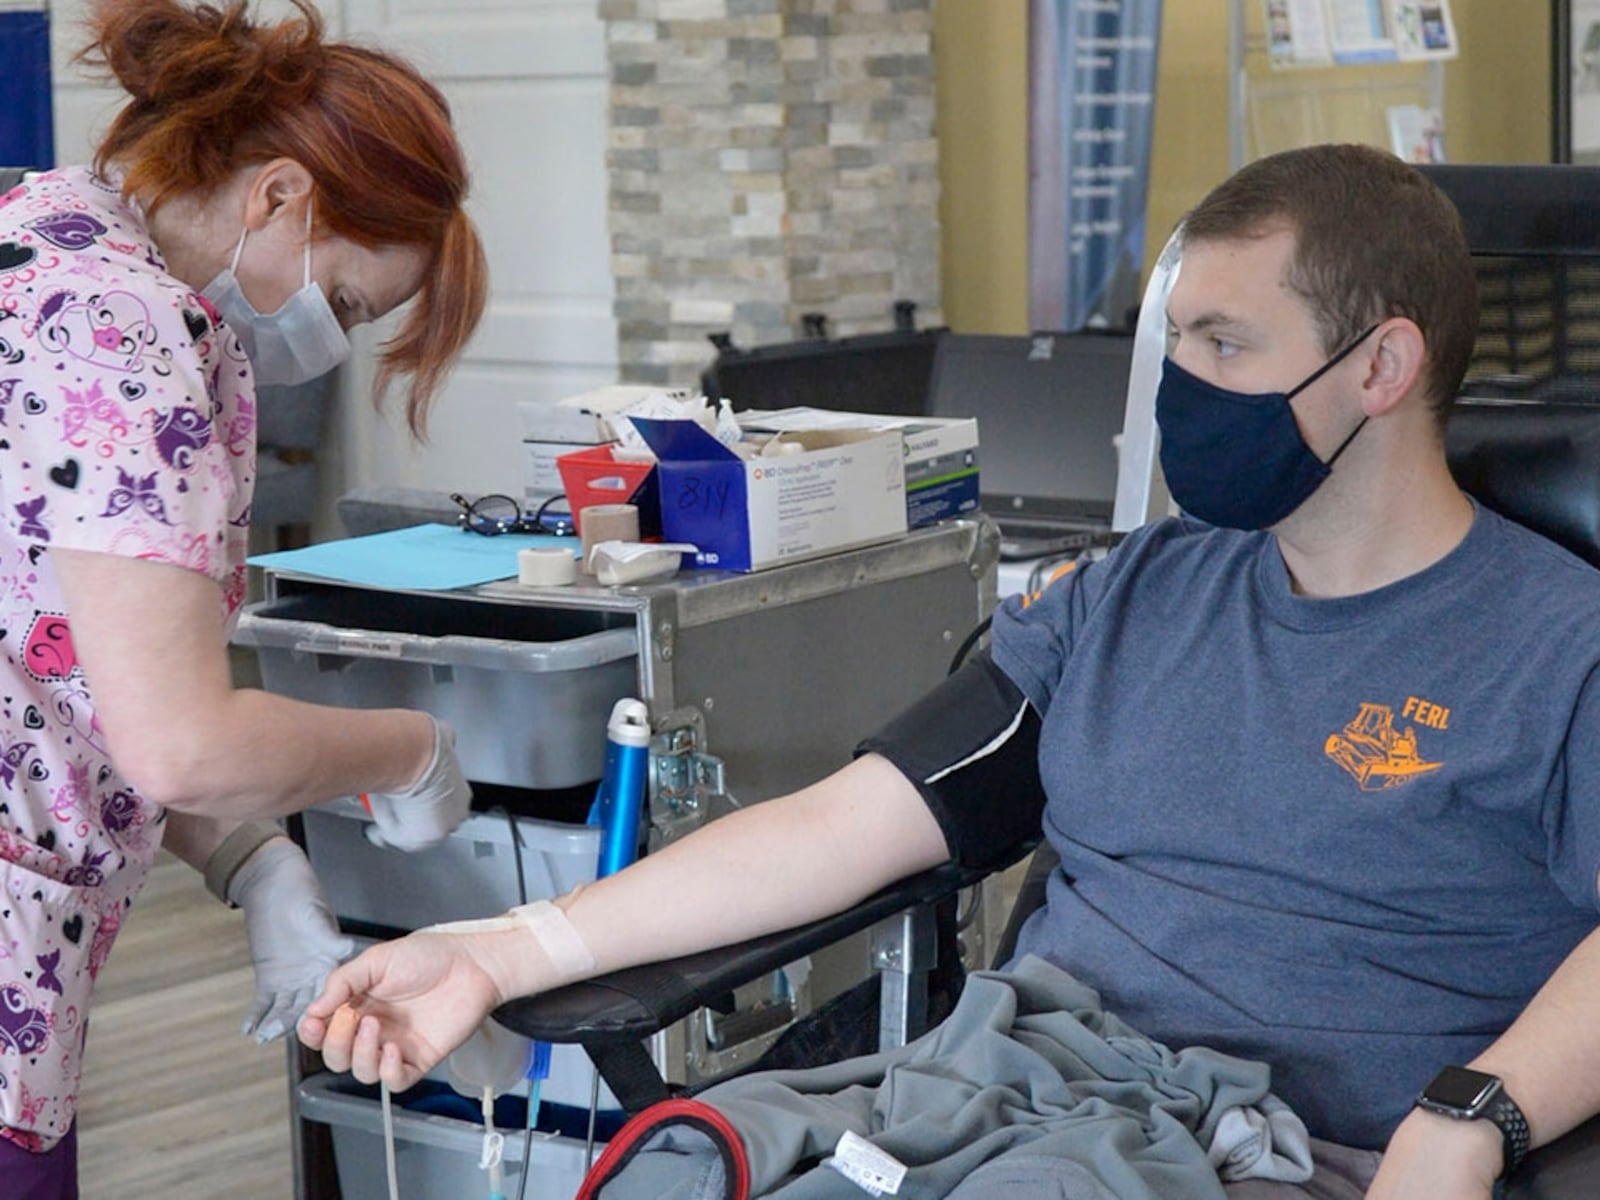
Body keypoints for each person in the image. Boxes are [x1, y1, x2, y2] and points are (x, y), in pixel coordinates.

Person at [301, 143, 1600, 1200]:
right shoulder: (1135, 595)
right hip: (1015, 1096)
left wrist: (1474, 1117)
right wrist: (497, 949)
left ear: (1380, 364)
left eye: (1224, 346)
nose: (1181, 389)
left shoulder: (1557, 649)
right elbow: (835, 828)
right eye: (1177, 345)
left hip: (1287, 1156)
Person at [0, 1, 489, 1194]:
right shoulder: (128, 334)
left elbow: (61, 660)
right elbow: (181, 743)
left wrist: (252, 862)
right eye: (356, 306)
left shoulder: (40, 233)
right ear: (279, 196)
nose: (336, 340)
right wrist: (411, 749)